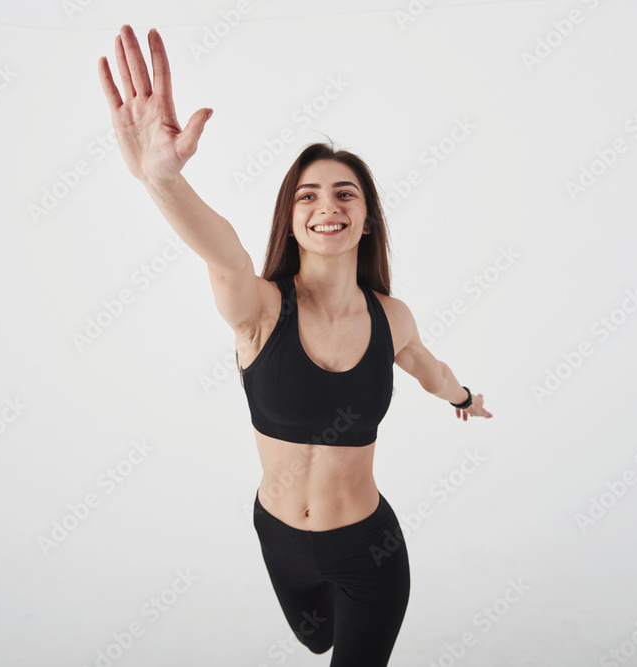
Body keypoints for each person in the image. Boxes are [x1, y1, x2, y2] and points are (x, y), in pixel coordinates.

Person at [98, 24, 493, 665]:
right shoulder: (259, 308)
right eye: (307, 195)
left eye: (346, 194)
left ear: (366, 220)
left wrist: (464, 396)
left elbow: (425, 365)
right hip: (278, 538)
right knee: (317, 638)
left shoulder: (392, 317)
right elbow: (221, 251)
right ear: (291, 217)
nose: (327, 206)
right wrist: (162, 180)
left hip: (369, 551)